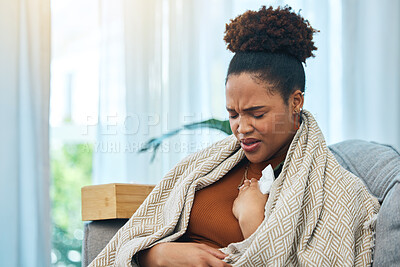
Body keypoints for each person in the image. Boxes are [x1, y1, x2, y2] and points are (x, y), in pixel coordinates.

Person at [89, 6, 379, 267]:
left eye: (257, 113)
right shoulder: (208, 166)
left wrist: (253, 221)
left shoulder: (336, 192)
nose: (242, 127)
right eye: (233, 114)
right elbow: (136, 239)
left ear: (296, 102)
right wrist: (158, 255)